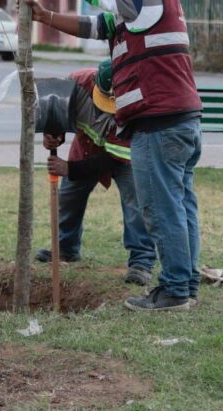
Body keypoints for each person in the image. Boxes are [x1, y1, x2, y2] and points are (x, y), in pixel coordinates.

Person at [21, 0, 203, 312]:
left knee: (162, 207)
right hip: (180, 120)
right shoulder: (141, 9)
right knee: (181, 203)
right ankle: (185, 281)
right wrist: (47, 17)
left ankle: (174, 291)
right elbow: (93, 26)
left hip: (160, 121)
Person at [36, 60, 157, 286]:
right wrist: (54, 134)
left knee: (135, 204)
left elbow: (113, 157)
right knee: (69, 197)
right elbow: (59, 114)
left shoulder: (136, 105)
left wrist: (70, 168)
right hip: (86, 146)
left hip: (124, 157)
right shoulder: (76, 84)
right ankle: (66, 248)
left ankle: (141, 261)